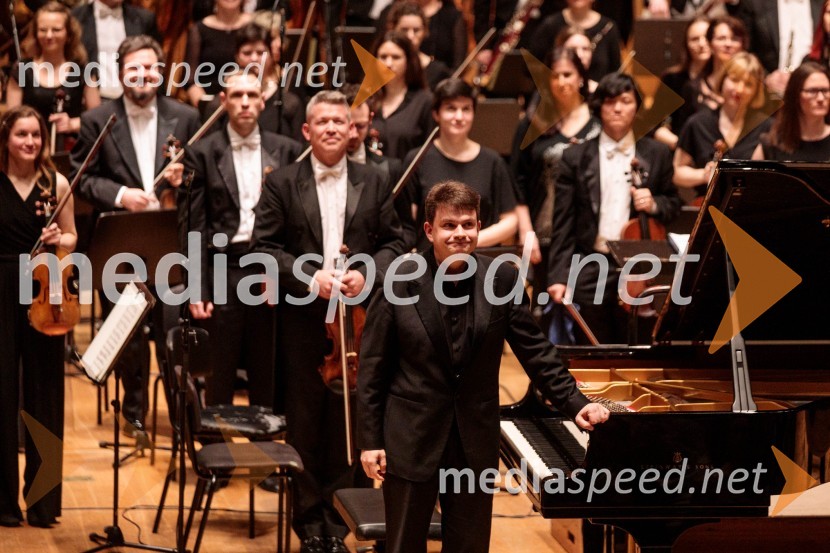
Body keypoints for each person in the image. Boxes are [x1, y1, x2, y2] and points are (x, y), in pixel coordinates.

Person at [357, 180, 610, 553]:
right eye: (449, 225)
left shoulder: (502, 279)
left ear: (479, 226)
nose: (460, 234)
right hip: (411, 439)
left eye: (468, 224)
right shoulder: (398, 279)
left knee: (469, 547)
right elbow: (372, 368)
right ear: (429, 230)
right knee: (403, 546)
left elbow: (536, 352)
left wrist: (576, 403)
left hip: (472, 440)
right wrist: (371, 442)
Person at [251, 90, 405, 553]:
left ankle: (340, 522)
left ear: (352, 128)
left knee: (353, 421)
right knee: (305, 419)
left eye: (341, 121)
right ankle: (307, 522)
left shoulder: (375, 180)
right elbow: (263, 248)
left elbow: (395, 244)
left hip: (358, 323)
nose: (334, 128)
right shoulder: (282, 183)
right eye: (324, 122)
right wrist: (308, 274)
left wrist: (366, 273)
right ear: (307, 130)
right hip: (303, 321)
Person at [71, 35, 200, 434]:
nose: (142, 75)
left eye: (149, 67)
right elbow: (81, 179)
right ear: (120, 73)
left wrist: (184, 178)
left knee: (170, 328)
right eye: (133, 68)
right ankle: (135, 409)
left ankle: (181, 414)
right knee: (127, 330)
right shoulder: (98, 120)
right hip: (122, 243)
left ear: (160, 72)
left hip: (169, 241)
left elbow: (203, 178)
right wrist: (122, 194)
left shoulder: (186, 116)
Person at [182, 70, 301, 412]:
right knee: (221, 366)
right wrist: (197, 287)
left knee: (267, 366)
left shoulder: (287, 149)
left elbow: (294, 224)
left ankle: (267, 450)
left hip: (270, 264)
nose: (245, 102)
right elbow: (193, 225)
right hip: (223, 264)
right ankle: (216, 452)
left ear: (263, 100)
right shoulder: (201, 153)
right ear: (223, 102)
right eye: (236, 96)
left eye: (252, 95)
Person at [547, 73, 681, 345]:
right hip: (591, 262)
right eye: (610, 102)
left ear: (636, 107)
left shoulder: (657, 154)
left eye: (626, 101)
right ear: (599, 107)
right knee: (593, 347)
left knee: (639, 345)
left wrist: (655, 204)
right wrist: (559, 276)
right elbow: (562, 222)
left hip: (639, 267)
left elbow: (674, 204)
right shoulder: (575, 157)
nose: (618, 108)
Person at [0, 106, 77, 528]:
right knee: (2, 394)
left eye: (35, 135)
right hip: (0, 286)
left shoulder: (57, 182)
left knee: (45, 394)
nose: (30, 142)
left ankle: (43, 503)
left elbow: (72, 236)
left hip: (45, 288)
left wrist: (56, 237)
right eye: (21, 135)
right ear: (6, 139)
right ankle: (3, 504)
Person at [511, 47, 600, 331]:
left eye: (568, 74)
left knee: (588, 316)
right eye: (555, 76)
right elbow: (517, 179)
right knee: (546, 316)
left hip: (590, 234)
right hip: (546, 234)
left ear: (581, 78)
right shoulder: (533, 123)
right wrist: (526, 232)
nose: (561, 81)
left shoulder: (600, 121)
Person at [405, 78, 518, 251]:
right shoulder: (417, 158)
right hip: (430, 264)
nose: (459, 117)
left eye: (466, 109)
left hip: (480, 262)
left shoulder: (493, 161)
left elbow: (510, 220)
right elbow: (407, 222)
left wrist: (466, 241)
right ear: (436, 114)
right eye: (451, 108)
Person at [6, 1, 100, 153]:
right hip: (29, 151)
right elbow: (12, 120)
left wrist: (72, 124)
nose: (49, 35)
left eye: (56, 30)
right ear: (36, 33)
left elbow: (97, 119)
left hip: (71, 152)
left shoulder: (85, 70)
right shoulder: (22, 70)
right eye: (43, 30)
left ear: (69, 34)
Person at [674, 52, 771, 199]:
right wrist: (704, 175)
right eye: (734, 80)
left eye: (748, 84)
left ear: (757, 91)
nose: (739, 89)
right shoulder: (698, 123)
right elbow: (677, 172)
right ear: (722, 80)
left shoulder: (767, 127)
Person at [72, 0, 161, 101]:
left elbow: (157, 61)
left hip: (136, 99)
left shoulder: (144, 19)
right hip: (92, 101)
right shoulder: (75, 17)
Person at [369, 31, 434, 160]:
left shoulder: (425, 101)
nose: (388, 63)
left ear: (408, 61)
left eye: (396, 57)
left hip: (408, 177)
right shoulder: (366, 99)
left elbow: (431, 152)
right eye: (383, 56)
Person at [528, 0, 622, 83]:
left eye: (585, 49)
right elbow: (534, 68)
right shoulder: (550, 25)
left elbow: (615, 71)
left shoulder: (609, 27)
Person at [654, 16, 711, 150]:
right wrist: (682, 145)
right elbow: (654, 125)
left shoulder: (726, 79)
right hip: (680, 150)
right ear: (686, 44)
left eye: (707, 37)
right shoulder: (672, 78)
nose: (702, 44)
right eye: (694, 39)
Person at [753, 62, 830, 160]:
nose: (820, 98)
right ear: (795, 95)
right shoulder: (771, 144)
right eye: (812, 91)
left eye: (825, 90)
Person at [184, 0, 252, 106]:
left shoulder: (254, 26)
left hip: (247, 101)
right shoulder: (199, 29)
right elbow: (189, 79)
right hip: (209, 103)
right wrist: (207, 108)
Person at [388, 1, 451, 89]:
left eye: (416, 30)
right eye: (404, 30)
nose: (410, 36)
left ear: (425, 31)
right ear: (392, 29)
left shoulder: (438, 71)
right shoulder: (384, 66)